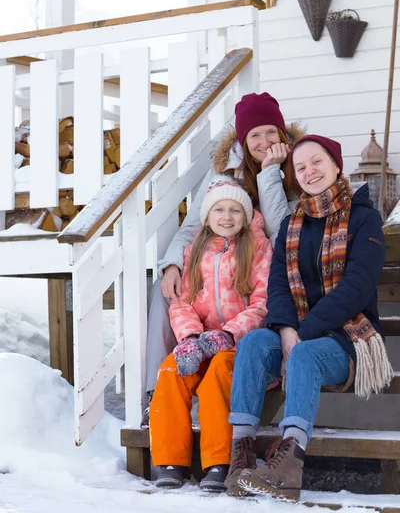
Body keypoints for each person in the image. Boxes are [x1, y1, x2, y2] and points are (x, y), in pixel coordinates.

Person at [224, 135, 393, 501]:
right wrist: (285, 330)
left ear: (336, 165)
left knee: (303, 354)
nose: (309, 171)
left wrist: (302, 333)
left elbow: (358, 287)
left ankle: (289, 464)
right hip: (297, 332)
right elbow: (279, 286)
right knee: (253, 342)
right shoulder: (291, 224)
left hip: (347, 339)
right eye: (300, 167)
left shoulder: (364, 218)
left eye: (317, 162)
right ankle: (240, 457)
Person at [142, 92, 303, 427]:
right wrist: (173, 264)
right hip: (216, 266)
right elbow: (192, 226)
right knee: (164, 289)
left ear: (283, 134)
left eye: (270, 132)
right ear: (242, 141)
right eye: (254, 135)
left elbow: (279, 230)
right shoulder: (222, 171)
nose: (263, 141)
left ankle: (235, 362)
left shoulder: (296, 166)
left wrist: (270, 171)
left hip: (262, 266)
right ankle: (156, 393)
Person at [149, 179, 273, 491]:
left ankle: (219, 461)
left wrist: (228, 335)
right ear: (207, 216)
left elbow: (263, 303)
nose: (227, 216)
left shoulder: (258, 248)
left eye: (235, 210)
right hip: (200, 343)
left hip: (241, 346)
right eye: (219, 209)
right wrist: (190, 338)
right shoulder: (194, 252)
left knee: (218, 373)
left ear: (245, 216)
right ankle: (169, 460)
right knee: (170, 369)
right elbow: (181, 303)